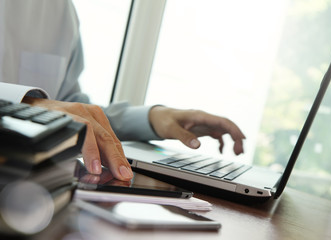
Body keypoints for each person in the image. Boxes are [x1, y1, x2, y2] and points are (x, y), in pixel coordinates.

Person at [0, 0, 245, 181]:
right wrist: (23, 109)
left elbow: (72, 111)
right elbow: (48, 109)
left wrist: (151, 119)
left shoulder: (61, 11)